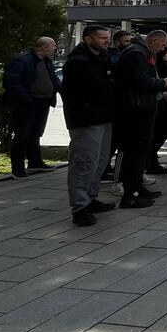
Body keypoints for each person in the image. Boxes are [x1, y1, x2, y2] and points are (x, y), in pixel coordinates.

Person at [113, 31, 167, 207]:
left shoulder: (143, 52)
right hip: (136, 109)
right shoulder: (136, 53)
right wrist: (163, 83)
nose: (163, 49)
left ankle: (136, 187)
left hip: (143, 107)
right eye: (162, 45)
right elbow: (138, 80)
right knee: (134, 150)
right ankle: (130, 194)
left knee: (142, 149)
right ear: (153, 40)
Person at [62, 26, 117, 226]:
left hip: (104, 117)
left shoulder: (102, 58)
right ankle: (79, 207)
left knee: (100, 161)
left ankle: (90, 198)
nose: (106, 41)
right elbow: (97, 89)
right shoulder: (78, 62)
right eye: (102, 38)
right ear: (87, 39)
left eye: (107, 38)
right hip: (86, 120)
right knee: (84, 163)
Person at [2, 37, 62, 179]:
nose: (55, 48)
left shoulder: (47, 62)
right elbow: (11, 82)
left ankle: (35, 162)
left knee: (35, 133)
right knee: (22, 135)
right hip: (26, 103)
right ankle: (17, 169)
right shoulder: (23, 61)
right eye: (53, 45)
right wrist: (27, 98)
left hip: (43, 102)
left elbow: (54, 80)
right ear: (43, 47)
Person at [144, 46, 167, 176]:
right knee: (159, 133)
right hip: (160, 106)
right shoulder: (158, 68)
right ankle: (150, 161)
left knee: (164, 132)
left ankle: (151, 160)